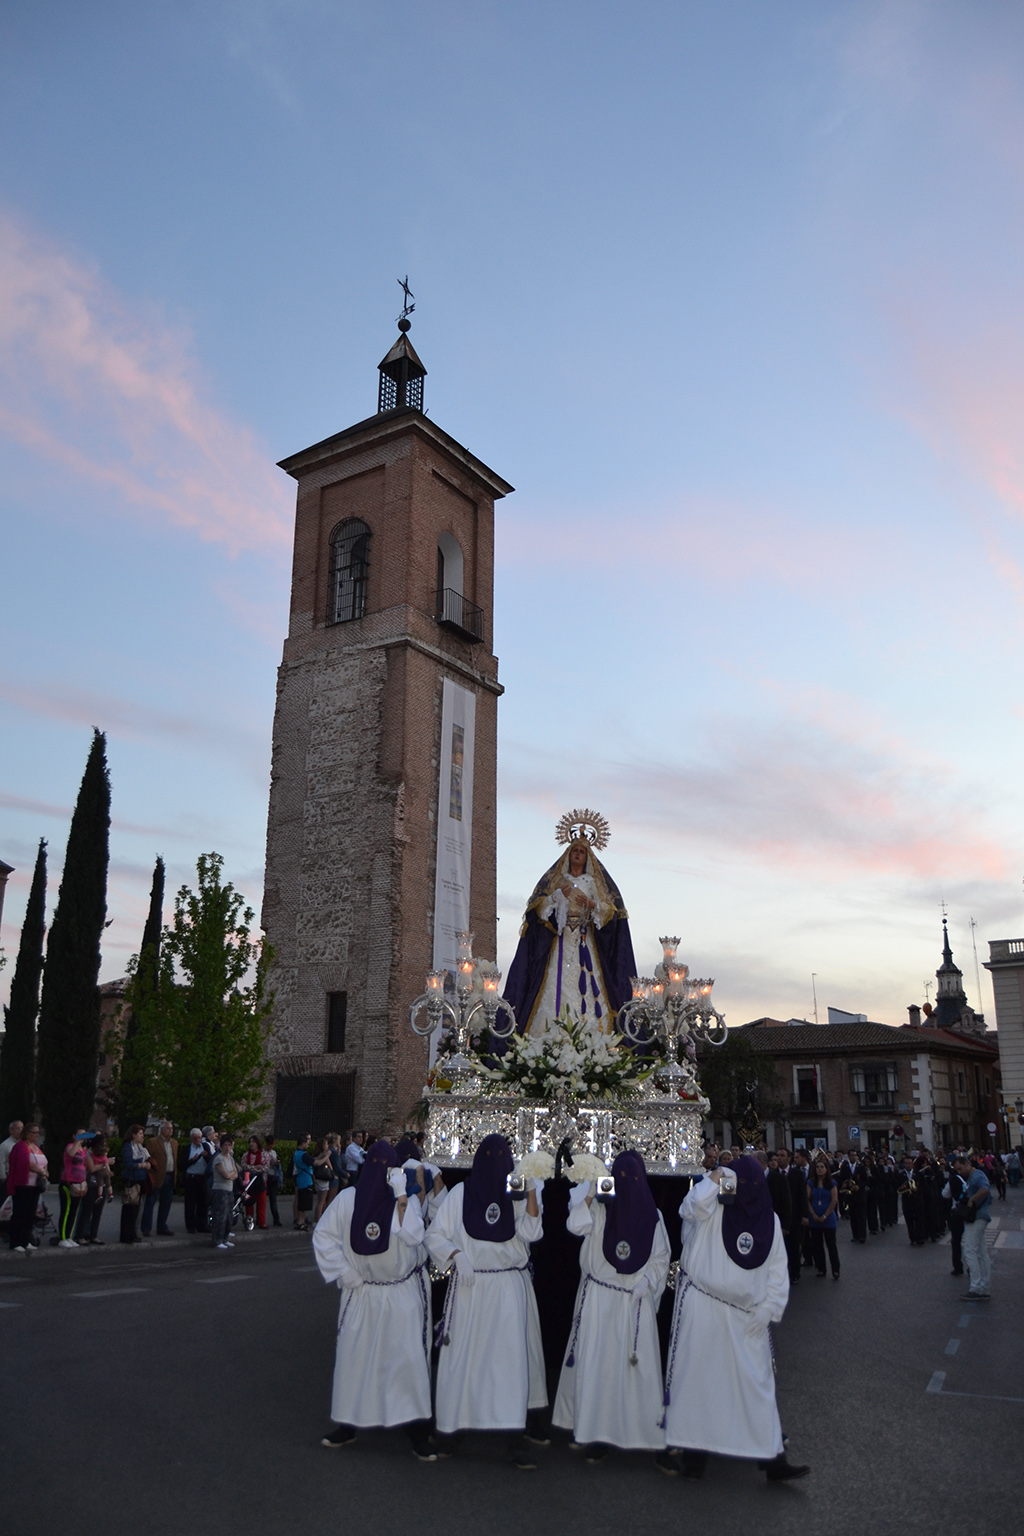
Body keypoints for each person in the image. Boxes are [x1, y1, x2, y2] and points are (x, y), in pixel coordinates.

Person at [662, 1155, 809, 1482]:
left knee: (757, 1386)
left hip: (746, 1317)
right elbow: (690, 1207)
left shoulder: (768, 1220)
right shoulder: (713, 1207)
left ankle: (772, 1457)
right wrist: (714, 1178)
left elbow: (776, 1271)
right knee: (697, 1382)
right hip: (704, 1306)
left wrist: (768, 1309)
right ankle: (693, 1454)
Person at [425, 1134, 548, 1468]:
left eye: (502, 1156)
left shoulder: (517, 1192)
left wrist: (532, 1190)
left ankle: (513, 1435)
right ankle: (452, 1428)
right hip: (471, 1285)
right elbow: (435, 1234)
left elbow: (532, 1233)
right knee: (463, 1358)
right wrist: (456, 1256)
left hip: (506, 1286)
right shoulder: (462, 1194)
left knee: (507, 1364)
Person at [312, 1138, 435, 1461]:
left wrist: (401, 1197)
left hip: (398, 1292)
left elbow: (413, 1236)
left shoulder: (403, 1199)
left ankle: (416, 1429)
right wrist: (344, 1273)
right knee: (357, 1360)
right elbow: (323, 1236)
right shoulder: (348, 1200)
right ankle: (349, 1423)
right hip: (363, 1291)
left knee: (405, 1361)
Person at [552, 1151, 670, 1461]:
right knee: (600, 1369)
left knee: (635, 1372)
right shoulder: (601, 1210)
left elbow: (661, 1258)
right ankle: (596, 1432)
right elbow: (575, 1225)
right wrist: (591, 1193)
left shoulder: (652, 1215)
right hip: (601, 1299)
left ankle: (644, 1432)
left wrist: (649, 1282)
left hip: (634, 1301)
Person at [502, 817, 637, 1036]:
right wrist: (555, 897)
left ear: (587, 858)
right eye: (574, 850)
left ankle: (591, 1033)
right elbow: (538, 909)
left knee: (589, 983)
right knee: (554, 983)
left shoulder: (592, 883)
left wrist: (592, 905)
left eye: (582, 852)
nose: (577, 854)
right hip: (561, 940)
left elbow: (609, 910)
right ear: (568, 854)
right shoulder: (558, 880)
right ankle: (551, 1031)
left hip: (585, 939)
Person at [954, 1156, 992, 1300]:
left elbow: (985, 1189)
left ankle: (975, 1287)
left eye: (960, 1168)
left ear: (967, 1164)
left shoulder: (976, 1175)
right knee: (981, 1252)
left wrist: (972, 1199)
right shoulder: (973, 1176)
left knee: (970, 1250)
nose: (959, 1171)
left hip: (976, 1217)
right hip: (980, 1216)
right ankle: (984, 1287)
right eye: (957, 1170)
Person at [7, 1123, 47, 1253]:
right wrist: (41, 1170)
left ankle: (26, 1240)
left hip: (35, 1185)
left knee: (30, 1215)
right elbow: (26, 1163)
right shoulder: (20, 1146)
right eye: (33, 1132)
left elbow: (43, 1162)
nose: (36, 1135)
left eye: (37, 1133)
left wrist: (44, 1171)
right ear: (27, 1133)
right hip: (22, 1184)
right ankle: (16, 1241)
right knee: (20, 1213)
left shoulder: (36, 1147)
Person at [775, 1148, 807, 1284]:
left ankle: (795, 1272)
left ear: (789, 1158)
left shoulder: (797, 1174)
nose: (779, 1158)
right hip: (778, 1216)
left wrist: (805, 1215)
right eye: (778, 1156)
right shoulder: (773, 1174)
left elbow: (802, 1196)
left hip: (794, 1215)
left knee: (794, 1246)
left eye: (783, 1156)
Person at [142, 1120, 178, 1236]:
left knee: (166, 1203)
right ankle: (146, 1228)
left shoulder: (174, 1143)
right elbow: (147, 1158)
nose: (170, 1130)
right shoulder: (153, 1142)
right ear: (162, 1129)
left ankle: (162, 1226)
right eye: (168, 1128)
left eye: (171, 1128)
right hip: (156, 1176)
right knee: (150, 1202)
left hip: (170, 1175)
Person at [806, 1156, 840, 1280]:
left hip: (828, 1219)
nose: (819, 1169)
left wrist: (825, 1215)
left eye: (822, 1167)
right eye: (817, 1167)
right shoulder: (810, 1183)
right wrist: (813, 1214)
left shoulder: (831, 1183)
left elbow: (834, 1200)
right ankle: (821, 1268)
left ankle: (835, 1270)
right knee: (817, 1245)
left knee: (831, 1245)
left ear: (826, 1169)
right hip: (814, 1219)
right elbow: (807, 1199)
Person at [59, 1129, 92, 1246]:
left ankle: (69, 1236)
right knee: (66, 1210)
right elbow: (71, 1154)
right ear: (74, 1136)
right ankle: (62, 1237)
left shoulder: (83, 1151)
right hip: (69, 1182)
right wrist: (77, 1142)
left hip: (80, 1183)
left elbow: (88, 1165)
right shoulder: (70, 1146)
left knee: (74, 1211)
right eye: (80, 1134)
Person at [120, 1125, 151, 1244]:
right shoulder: (128, 1147)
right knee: (129, 1207)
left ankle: (133, 1232)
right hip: (131, 1179)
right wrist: (142, 1165)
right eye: (140, 1134)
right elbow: (129, 1163)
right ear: (133, 1135)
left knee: (137, 1208)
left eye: (142, 1134)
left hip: (141, 1178)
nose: (142, 1136)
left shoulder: (141, 1147)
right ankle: (125, 1234)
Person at [79, 1134, 113, 1245]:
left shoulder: (103, 1155)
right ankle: (81, 1235)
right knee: (87, 1211)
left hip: (101, 1185)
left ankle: (94, 1235)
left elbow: (108, 1172)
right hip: (91, 1184)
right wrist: (104, 1164)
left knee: (97, 1212)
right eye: (102, 1143)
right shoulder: (89, 1154)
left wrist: (106, 1166)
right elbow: (92, 1168)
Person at [211, 1134, 238, 1250]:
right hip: (220, 1189)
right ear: (221, 1146)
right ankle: (217, 1240)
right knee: (219, 1216)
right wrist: (230, 1175)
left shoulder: (230, 1158)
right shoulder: (219, 1159)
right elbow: (225, 1174)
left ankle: (225, 1238)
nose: (227, 1147)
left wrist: (231, 1175)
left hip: (229, 1189)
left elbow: (235, 1174)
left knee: (228, 1216)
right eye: (225, 1145)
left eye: (229, 1145)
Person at [183, 1128, 212, 1233]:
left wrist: (206, 1157)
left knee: (203, 1203)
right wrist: (192, 1160)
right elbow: (183, 1164)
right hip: (191, 1178)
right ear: (191, 1138)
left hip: (202, 1178)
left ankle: (202, 1225)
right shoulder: (187, 1149)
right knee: (190, 1203)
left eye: (199, 1138)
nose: (197, 1140)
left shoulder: (205, 1147)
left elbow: (211, 1162)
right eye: (195, 1138)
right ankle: (190, 1226)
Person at [242, 1136, 270, 1229]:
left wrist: (256, 1168)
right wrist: (255, 1168)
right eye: (250, 1142)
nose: (251, 1144)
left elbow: (266, 1167)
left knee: (261, 1203)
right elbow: (244, 1166)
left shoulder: (264, 1154)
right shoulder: (246, 1155)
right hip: (249, 1182)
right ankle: (249, 1221)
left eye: (253, 1142)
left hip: (262, 1182)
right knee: (249, 1203)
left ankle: (262, 1222)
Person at [293, 1133, 314, 1230]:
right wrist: (326, 1156)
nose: (308, 1145)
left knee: (302, 1202)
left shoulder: (296, 1153)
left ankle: (300, 1221)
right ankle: (301, 1221)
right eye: (307, 1143)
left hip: (300, 1180)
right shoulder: (303, 1154)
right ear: (303, 1143)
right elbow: (315, 1162)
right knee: (304, 1204)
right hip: (306, 1180)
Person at [312, 1138, 333, 1224]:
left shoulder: (317, 1154)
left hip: (318, 1178)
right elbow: (331, 1167)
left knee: (319, 1200)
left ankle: (317, 1218)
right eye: (326, 1144)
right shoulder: (324, 1156)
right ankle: (317, 1220)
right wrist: (327, 1155)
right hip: (323, 1179)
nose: (328, 1146)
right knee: (322, 1201)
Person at [264, 1135, 283, 1227]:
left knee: (273, 1200)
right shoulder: (263, 1153)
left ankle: (276, 1219)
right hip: (266, 1176)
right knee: (263, 1199)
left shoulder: (273, 1152)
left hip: (273, 1176)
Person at [0, 1119, 24, 1186]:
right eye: (17, 1128)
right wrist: (3, 1176)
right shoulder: (5, 1145)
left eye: (22, 1128)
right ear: (11, 1130)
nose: (20, 1130)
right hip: (9, 1176)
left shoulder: (25, 1144)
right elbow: (1, 1161)